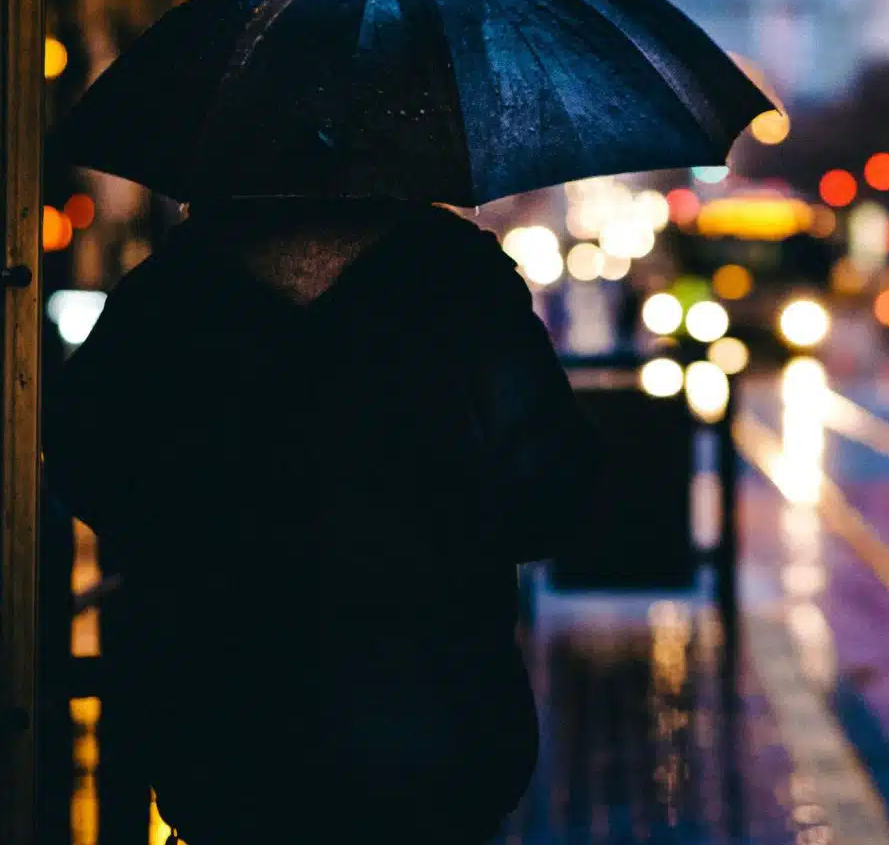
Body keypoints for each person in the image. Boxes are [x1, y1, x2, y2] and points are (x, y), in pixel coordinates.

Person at [43, 196, 613, 844]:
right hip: (432, 706)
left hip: (225, 715)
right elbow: (553, 488)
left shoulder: (177, 285)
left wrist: (197, 537)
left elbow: (86, 457)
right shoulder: (455, 277)